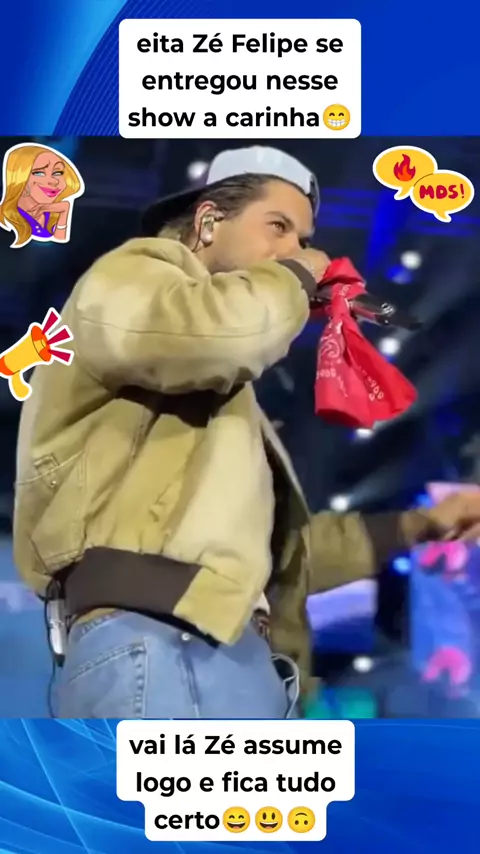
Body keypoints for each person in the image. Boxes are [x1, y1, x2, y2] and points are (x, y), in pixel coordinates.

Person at [13, 145, 480, 719]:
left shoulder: (208, 401)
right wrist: (294, 276)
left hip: (229, 649)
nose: (298, 251)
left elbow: (280, 559)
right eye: (278, 227)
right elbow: (221, 337)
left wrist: (422, 525)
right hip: (159, 635)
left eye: (303, 239)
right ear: (209, 221)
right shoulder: (135, 276)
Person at [0, 142, 84, 248]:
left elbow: (61, 242)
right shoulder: (7, 219)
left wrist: (64, 212)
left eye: (57, 173)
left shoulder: (53, 213)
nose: (54, 181)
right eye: (39, 173)